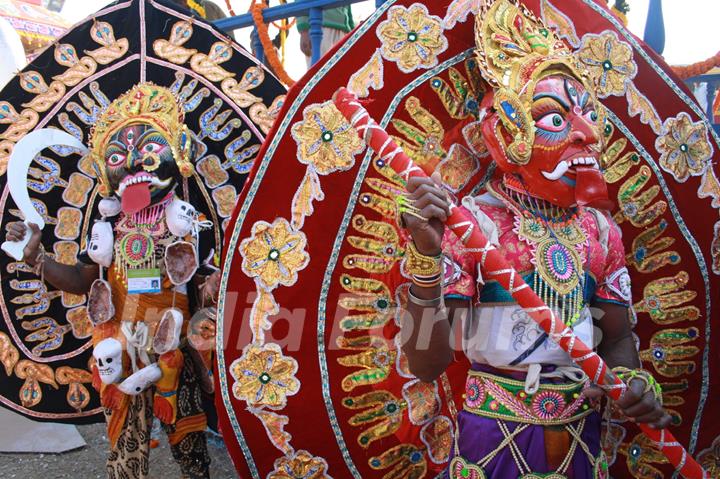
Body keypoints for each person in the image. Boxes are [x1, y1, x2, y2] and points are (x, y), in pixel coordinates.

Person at [398, 2, 670, 477]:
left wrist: (629, 383)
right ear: (506, 131)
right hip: (492, 440)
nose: (586, 135)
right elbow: (427, 362)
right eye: (554, 119)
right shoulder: (472, 226)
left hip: (582, 437)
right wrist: (424, 253)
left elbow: (619, 337)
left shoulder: (599, 231)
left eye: (588, 115)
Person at [295, 0, 354, 65]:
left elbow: (347, 6)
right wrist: (304, 30)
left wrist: (352, 30)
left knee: (344, 68)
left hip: (344, 30)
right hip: (321, 26)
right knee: (321, 68)